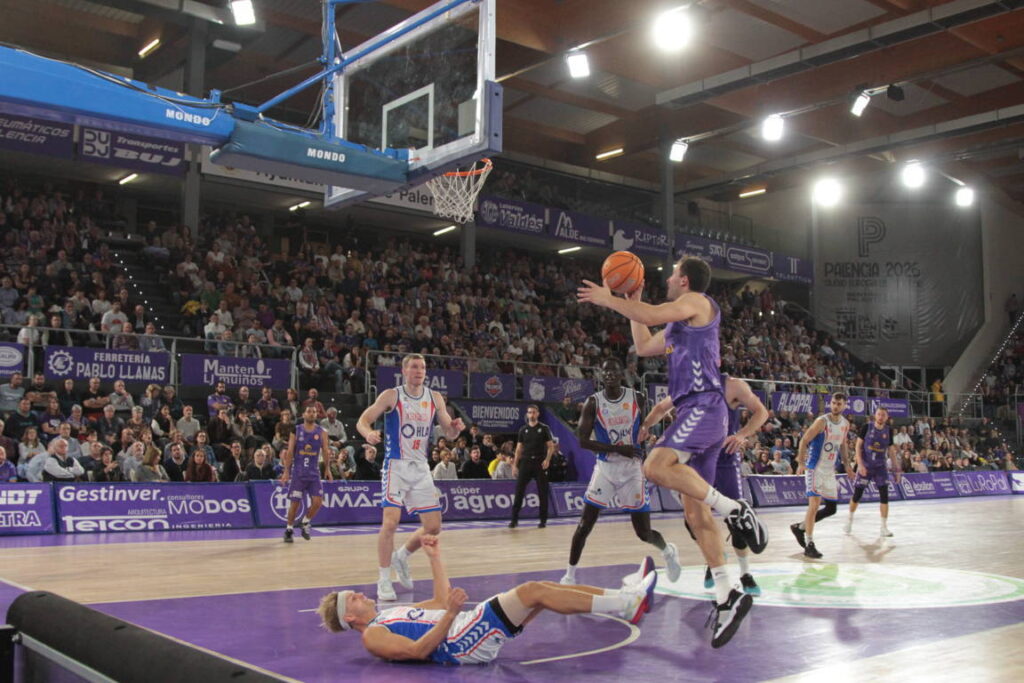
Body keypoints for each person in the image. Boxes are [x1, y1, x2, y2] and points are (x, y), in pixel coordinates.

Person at [577, 255, 768, 648]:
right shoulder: (679, 327)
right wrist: (633, 296)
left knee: (653, 465)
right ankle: (728, 594)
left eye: (672, 273)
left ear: (684, 280)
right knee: (696, 516)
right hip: (696, 412)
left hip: (704, 407)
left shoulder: (699, 302)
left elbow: (651, 311)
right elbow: (644, 343)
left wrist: (608, 298)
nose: (667, 276)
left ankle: (735, 509)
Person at [316, 534, 657, 664]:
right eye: (354, 598)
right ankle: (626, 604)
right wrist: (450, 616)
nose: (362, 594)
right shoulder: (373, 635)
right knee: (533, 592)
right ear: (350, 618)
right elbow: (417, 652)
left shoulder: (387, 615)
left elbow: (438, 599)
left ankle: (624, 597)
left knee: (540, 589)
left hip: (462, 627)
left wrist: (435, 557)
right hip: (460, 642)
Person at [561, 358, 681, 586]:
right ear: (600, 376)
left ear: (621, 373)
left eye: (613, 371)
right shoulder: (593, 403)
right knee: (584, 524)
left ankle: (668, 551)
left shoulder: (637, 398)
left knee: (643, 533)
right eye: (605, 373)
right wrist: (618, 449)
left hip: (632, 470)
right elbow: (582, 441)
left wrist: (645, 443)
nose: (609, 376)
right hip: (605, 468)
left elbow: (646, 427)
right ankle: (569, 575)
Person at [356, 354, 465, 601]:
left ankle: (402, 555)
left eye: (423, 367)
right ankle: (383, 579)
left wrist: (454, 428)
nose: (419, 371)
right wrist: (368, 433)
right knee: (391, 522)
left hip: (421, 467)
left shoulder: (434, 397)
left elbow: (447, 431)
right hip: (396, 465)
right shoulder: (391, 395)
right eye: (414, 367)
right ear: (404, 371)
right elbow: (364, 419)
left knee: (433, 527)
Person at [789, 393, 853, 559]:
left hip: (829, 470)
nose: (835, 406)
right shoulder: (822, 422)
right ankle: (809, 544)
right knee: (814, 505)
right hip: (814, 468)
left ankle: (800, 527)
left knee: (832, 508)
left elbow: (844, 445)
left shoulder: (845, 424)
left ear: (845, 405)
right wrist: (801, 462)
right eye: (833, 403)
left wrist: (847, 465)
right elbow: (804, 440)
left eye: (839, 404)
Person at [847, 406, 901, 537]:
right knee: (857, 495)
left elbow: (891, 452)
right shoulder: (867, 427)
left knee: (884, 495)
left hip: (880, 466)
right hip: (866, 465)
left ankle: (884, 527)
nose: (881, 417)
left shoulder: (889, 431)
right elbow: (858, 446)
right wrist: (859, 464)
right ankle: (849, 520)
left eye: (883, 415)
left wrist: (897, 470)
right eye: (879, 414)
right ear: (875, 415)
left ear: (887, 417)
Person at [281, 405, 333, 543]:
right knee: (295, 504)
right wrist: (286, 471)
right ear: (303, 414)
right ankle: (289, 529)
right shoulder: (296, 430)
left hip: (314, 473)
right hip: (298, 473)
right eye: (309, 412)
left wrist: (327, 469)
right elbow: (290, 451)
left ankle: (305, 521)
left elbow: (326, 452)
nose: (311, 414)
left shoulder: (322, 432)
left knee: (318, 501)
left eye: (314, 412)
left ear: (317, 415)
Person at [509, 405, 555, 529]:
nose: (532, 415)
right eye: (530, 412)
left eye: (534, 412)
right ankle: (514, 520)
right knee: (519, 491)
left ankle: (543, 520)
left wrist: (547, 459)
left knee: (542, 492)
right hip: (526, 462)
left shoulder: (544, 428)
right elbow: (518, 449)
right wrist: (515, 465)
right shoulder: (523, 430)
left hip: (540, 462)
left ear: (538, 414)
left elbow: (551, 446)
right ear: (527, 414)